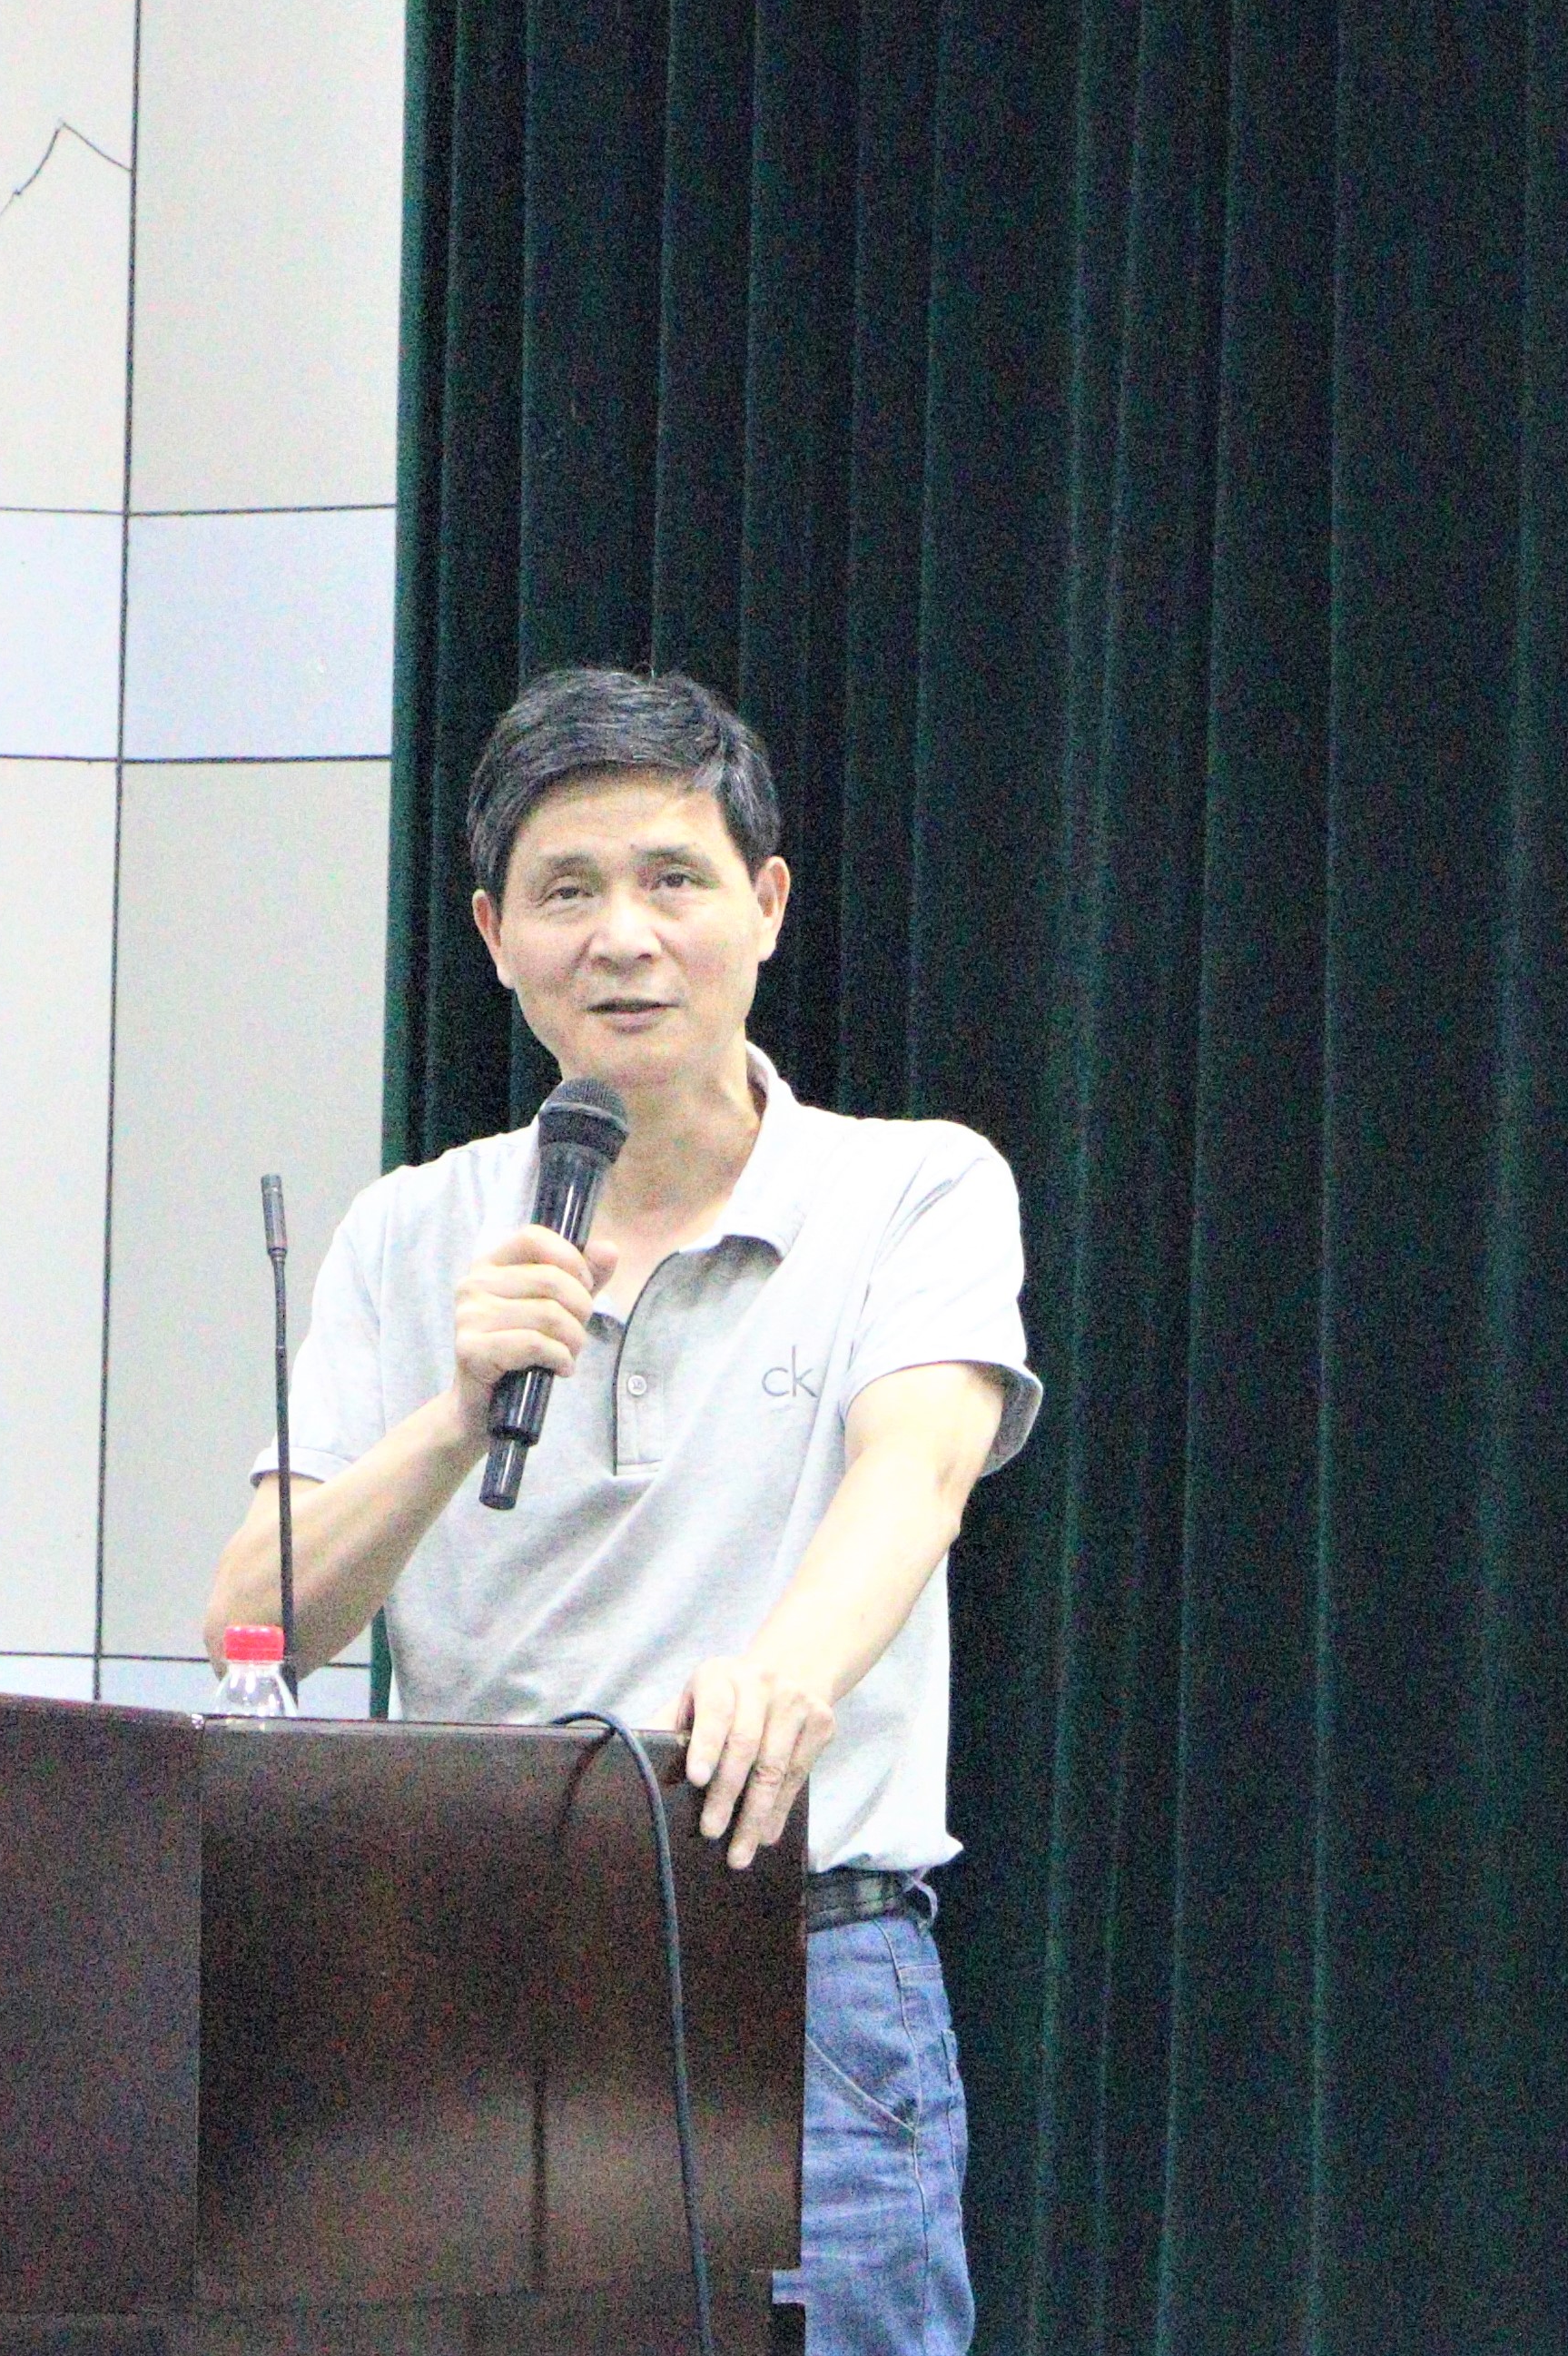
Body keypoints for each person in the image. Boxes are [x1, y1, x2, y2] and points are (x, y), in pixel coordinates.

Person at [204, 664, 1037, 2355]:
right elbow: (255, 1619)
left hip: (801, 1959)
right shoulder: (412, 1230)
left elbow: (920, 1470)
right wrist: (453, 1417)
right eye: (568, 891)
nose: (625, 938)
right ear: (496, 936)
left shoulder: (913, 1185)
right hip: (466, 1963)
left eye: (675, 879)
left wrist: (783, 1678)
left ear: (768, 905)